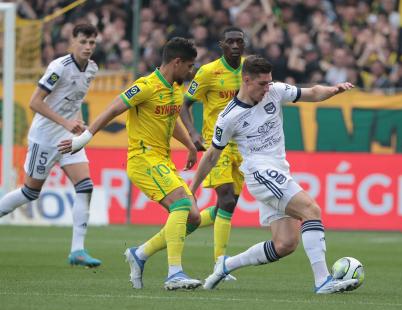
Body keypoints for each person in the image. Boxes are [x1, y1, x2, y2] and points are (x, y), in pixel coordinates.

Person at [190, 55, 358, 294]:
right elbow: (211, 156)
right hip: (259, 172)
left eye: (269, 82)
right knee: (311, 211)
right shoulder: (229, 117)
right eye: (262, 84)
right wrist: (193, 188)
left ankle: (226, 265)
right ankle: (323, 281)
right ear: (246, 80)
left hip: (278, 170)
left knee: (285, 244)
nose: (267, 88)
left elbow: (311, 93)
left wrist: (333, 90)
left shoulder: (275, 91)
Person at [58, 37, 202, 290]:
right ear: (177, 62)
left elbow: (170, 120)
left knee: (193, 217)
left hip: (162, 160)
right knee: (180, 202)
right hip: (143, 158)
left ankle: (141, 254)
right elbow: (112, 110)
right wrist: (83, 139)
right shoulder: (145, 86)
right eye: (189, 66)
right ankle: (174, 273)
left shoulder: (174, 88)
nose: (191, 71)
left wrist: (190, 144)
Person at [0, 23, 101, 268]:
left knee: (85, 186)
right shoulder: (59, 67)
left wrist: (75, 122)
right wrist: (65, 121)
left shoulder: (92, 69)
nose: (88, 47)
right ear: (72, 41)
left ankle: (77, 250)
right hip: (44, 138)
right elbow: (35, 102)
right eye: (83, 42)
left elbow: (76, 99)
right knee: (30, 192)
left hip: (67, 138)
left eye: (92, 43)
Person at [180, 27, 245, 277]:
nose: (236, 46)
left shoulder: (249, 69)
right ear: (222, 45)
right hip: (216, 143)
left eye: (240, 41)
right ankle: (220, 265)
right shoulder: (208, 72)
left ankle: (178, 228)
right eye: (231, 42)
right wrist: (193, 135)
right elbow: (185, 104)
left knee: (225, 208)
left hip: (243, 144)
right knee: (227, 199)